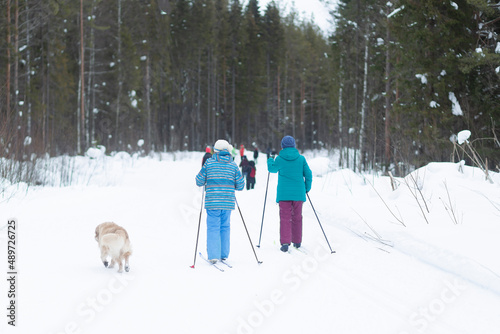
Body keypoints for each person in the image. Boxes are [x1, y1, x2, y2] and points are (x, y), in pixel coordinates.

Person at [196, 139, 245, 263]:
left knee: (213, 227)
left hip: (212, 201)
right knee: (225, 227)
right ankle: (223, 254)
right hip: (227, 202)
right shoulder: (233, 165)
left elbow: (199, 181)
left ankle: (213, 255)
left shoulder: (209, 163)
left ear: (215, 151)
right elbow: (240, 185)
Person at [267, 135, 312, 252]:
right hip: (298, 194)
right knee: (297, 217)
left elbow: (272, 169)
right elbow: (308, 174)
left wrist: (270, 159)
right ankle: (297, 241)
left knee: (285, 218)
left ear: (282, 146)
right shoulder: (301, 159)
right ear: (294, 145)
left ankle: (285, 243)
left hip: (284, 195)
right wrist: (306, 188)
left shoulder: (279, 159)